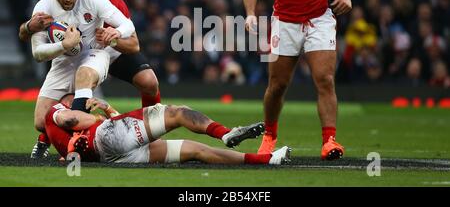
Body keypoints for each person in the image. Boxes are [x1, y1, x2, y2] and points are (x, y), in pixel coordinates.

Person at [243, 0, 353, 160]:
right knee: (278, 85)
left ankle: (329, 142)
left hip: (319, 20)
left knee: (325, 80)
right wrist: (250, 14)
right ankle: (269, 136)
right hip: (284, 23)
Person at [18, 0, 136, 158]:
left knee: (84, 75)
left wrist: (116, 31)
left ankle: (76, 145)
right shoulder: (43, 8)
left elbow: (128, 24)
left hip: (94, 55)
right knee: (41, 122)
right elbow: (38, 54)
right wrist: (63, 46)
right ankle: (97, 121)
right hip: (62, 62)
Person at [45, 94, 291, 165]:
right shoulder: (54, 110)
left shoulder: (62, 143)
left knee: (196, 150)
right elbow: (68, 119)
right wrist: (91, 116)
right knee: (177, 113)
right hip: (108, 137)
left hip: (113, 156)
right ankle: (225, 133)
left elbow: (72, 152)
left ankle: (266, 160)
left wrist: (108, 110)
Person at [78, 0, 161, 107]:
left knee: (149, 82)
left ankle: (151, 122)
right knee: (76, 97)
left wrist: (112, 40)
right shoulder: (72, 5)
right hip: (82, 54)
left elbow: (134, 45)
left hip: (110, 50)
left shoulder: (114, 1)